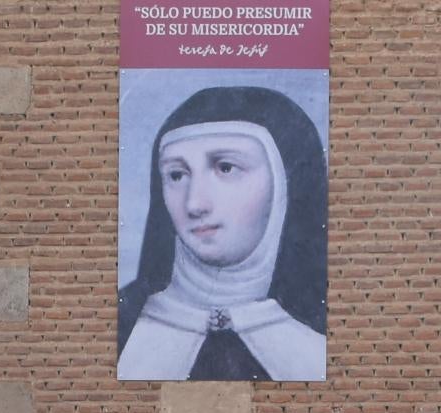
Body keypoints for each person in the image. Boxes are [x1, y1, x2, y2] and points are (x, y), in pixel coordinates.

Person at [114, 84, 328, 382]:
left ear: (285, 185)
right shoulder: (120, 326)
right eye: (176, 175)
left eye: (226, 168)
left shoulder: (328, 328)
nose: (194, 204)